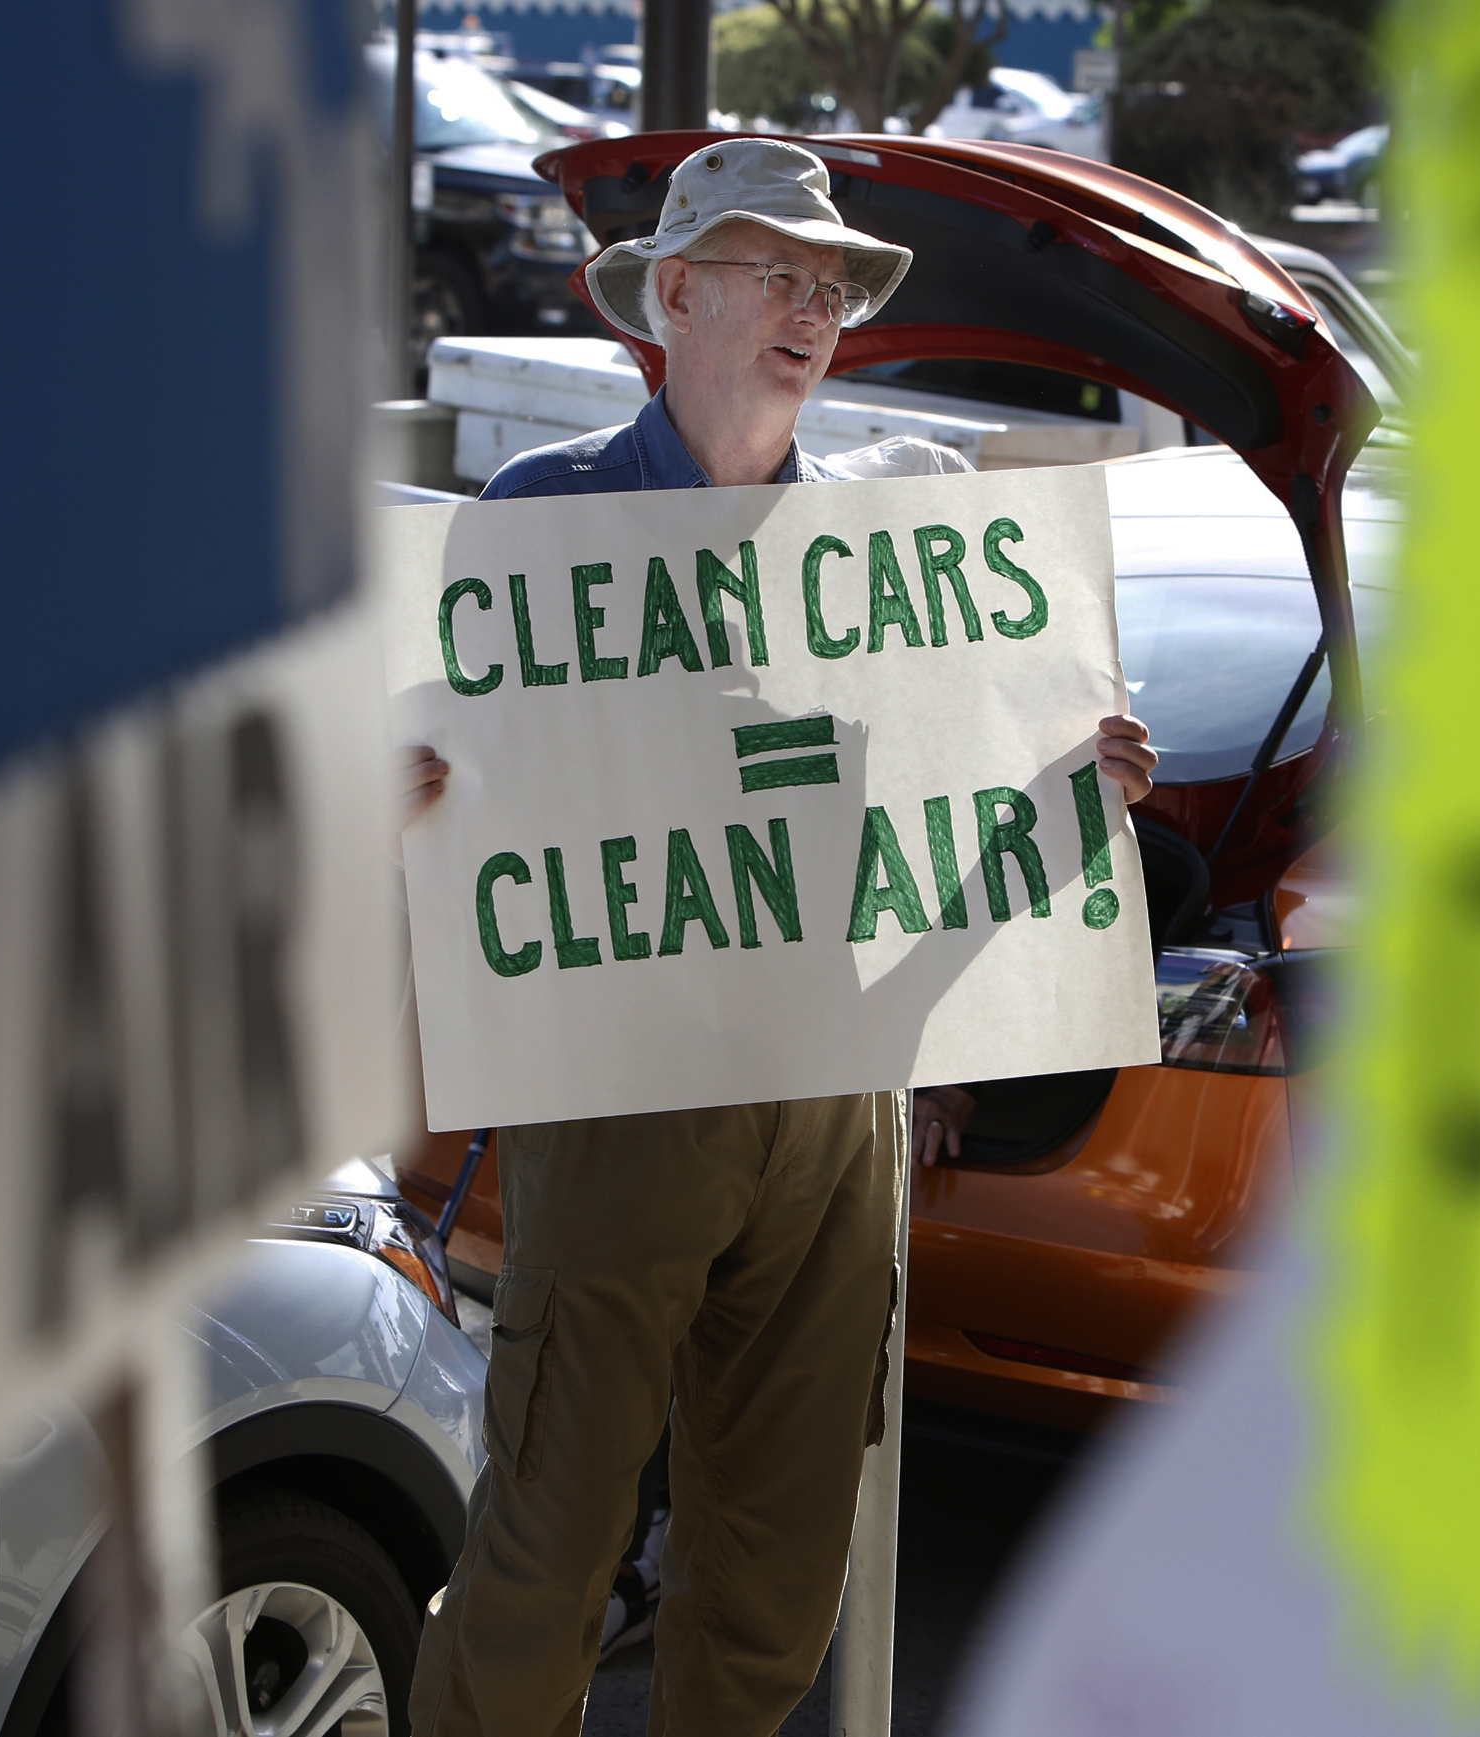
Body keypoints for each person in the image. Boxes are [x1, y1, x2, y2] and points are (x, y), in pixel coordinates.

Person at [399, 138, 1155, 1737]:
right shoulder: (543, 517)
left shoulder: (897, 554)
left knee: (771, 1578)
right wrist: (402, 783)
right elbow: (444, 802)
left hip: (833, 1117)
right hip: (616, 1101)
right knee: (547, 1546)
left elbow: (921, 837)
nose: (813, 303)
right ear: (672, 296)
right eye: (774, 271)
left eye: (831, 282)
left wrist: (1070, 786)